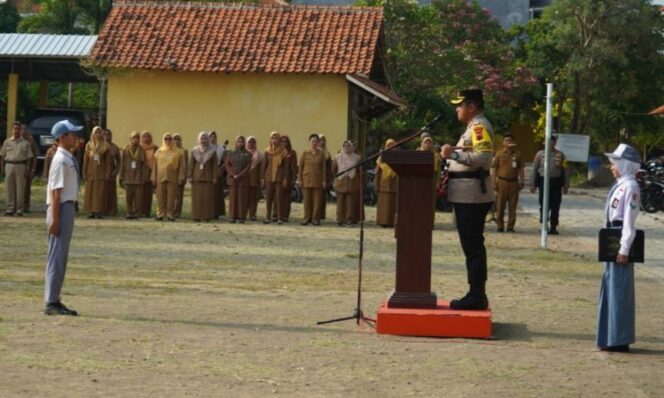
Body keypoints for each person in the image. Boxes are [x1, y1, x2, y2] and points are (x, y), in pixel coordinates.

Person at [440, 89, 495, 310]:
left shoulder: (479, 127)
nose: (457, 109)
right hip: (466, 193)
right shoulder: (472, 127)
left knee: (472, 246)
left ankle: (476, 295)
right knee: (471, 245)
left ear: (471, 107)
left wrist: (452, 154)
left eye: (460, 105)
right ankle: (475, 292)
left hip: (472, 194)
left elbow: (483, 157)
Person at [596, 144, 642, 353]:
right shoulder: (622, 185)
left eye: (615, 163)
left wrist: (624, 249)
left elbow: (628, 224)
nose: (611, 167)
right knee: (611, 288)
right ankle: (610, 335)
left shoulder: (631, 187)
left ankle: (619, 338)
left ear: (625, 165)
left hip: (619, 240)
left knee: (620, 290)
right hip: (611, 239)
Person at [44, 120, 83, 316]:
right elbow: (56, 192)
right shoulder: (60, 159)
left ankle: (54, 298)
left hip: (66, 208)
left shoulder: (67, 157)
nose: (75, 137)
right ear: (62, 137)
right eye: (72, 134)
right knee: (57, 256)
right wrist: (56, 219)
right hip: (61, 208)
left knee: (61, 256)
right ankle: (51, 301)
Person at [530, 135, 570, 235]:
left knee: (555, 205)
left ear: (555, 143)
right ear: (544, 143)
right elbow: (534, 169)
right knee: (543, 204)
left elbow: (566, 171)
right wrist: (533, 184)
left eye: (552, 142)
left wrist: (566, 185)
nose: (550, 144)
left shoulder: (561, 155)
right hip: (543, 182)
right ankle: (544, 225)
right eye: (548, 142)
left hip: (556, 183)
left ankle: (553, 226)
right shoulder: (540, 154)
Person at [491, 134, 525, 232]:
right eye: (506, 140)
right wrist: (493, 182)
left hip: (514, 183)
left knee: (513, 206)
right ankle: (500, 226)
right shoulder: (499, 154)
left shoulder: (518, 154)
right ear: (503, 143)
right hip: (502, 182)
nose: (509, 142)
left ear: (513, 142)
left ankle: (510, 226)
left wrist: (522, 181)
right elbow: (494, 168)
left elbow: (521, 169)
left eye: (510, 140)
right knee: (500, 205)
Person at [0, 121, 34, 216]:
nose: (16, 131)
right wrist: (2, 168)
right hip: (9, 165)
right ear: (11, 130)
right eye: (15, 129)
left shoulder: (25, 143)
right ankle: (10, 208)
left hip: (21, 166)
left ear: (21, 130)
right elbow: (2, 156)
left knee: (20, 188)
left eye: (18, 129)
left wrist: (27, 168)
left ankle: (19, 209)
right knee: (9, 188)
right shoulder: (7, 142)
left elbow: (29, 157)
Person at [151, 133, 186, 221]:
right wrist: (153, 177)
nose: (168, 140)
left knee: (171, 196)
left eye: (170, 138)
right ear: (163, 139)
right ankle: (160, 213)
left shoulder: (178, 152)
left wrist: (181, 177)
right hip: (160, 177)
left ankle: (170, 214)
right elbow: (155, 166)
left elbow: (182, 166)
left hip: (173, 177)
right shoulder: (159, 152)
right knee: (160, 196)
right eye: (166, 139)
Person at [189, 132, 218, 222]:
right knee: (197, 198)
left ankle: (206, 216)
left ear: (208, 140)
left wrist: (214, 177)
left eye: (205, 138)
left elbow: (215, 165)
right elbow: (191, 165)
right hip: (196, 177)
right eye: (202, 138)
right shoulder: (194, 150)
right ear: (199, 139)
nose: (203, 140)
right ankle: (196, 216)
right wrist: (190, 176)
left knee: (207, 198)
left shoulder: (212, 151)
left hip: (208, 177)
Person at [83, 126, 111, 219]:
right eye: (96, 133)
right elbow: (85, 161)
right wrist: (84, 172)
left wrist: (107, 173)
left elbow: (108, 162)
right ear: (93, 134)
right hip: (91, 172)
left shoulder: (106, 146)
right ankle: (91, 211)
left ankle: (98, 211)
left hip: (101, 173)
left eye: (100, 132)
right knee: (90, 193)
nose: (98, 134)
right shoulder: (89, 145)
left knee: (99, 193)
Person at [299, 133, 327, 225]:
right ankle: (306, 218)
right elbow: (301, 167)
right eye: (312, 141)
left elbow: (324, 169)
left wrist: (324, 180)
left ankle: (315, 219)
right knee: (307, 201)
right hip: (306, 179)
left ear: (318, 142)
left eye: (316, 141)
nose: (314, 143)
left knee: (317, 201)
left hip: (317, 180)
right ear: (309, 142)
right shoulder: (305, 153)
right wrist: (300, 179)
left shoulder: (321, 154)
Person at [333, 140, 361, 226]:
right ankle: (340, 219)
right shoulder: (337, 157)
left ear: (351, 147)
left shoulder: (357, 158)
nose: (346, 147)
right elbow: (334, 169)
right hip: (341, 180)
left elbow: (359, 170)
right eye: (344, 145)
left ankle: (349, 219)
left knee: (350, 202)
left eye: (348, 145)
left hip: (352, 180)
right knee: (340, 202)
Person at [119, 131, 147, 219]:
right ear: (130, 139)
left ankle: (136, 213)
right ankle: (129, 213)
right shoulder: (126, 150)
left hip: (138, 177)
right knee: (129, 197)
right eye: (134, 137)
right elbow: (122, 164)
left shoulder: (141, 150)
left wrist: (144, 177)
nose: (136, 139)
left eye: (138, 138)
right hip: (128, 177)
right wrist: (121, 176)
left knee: (138, 198)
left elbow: (144, 165)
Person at [225, 135, 252, 223]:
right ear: (236, 142)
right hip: (233, 179)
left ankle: (241, 217)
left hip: (243, 179)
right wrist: (233, 174)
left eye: (242, 141)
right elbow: (227, 165)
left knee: (242, 198)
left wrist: (240, 175)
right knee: (233, 198)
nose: (241, 143)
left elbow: (248, 167)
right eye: (239, 141)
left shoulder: (248, 154)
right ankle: (232, 216)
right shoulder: (231, 153)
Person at [263, 131, 288, 224]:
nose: (274, 140)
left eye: (276, 138)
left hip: (279, 177)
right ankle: (267, 217)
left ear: (279, 140)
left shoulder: (283, 151)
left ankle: (279, 218)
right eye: (272, 138)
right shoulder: (267, 151)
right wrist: (262, 178)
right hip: (269, 177)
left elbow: (286, 167)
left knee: (279, 198)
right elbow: (264, 165)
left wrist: (285, 178)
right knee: (268, 197)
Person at [418, 136, 441, 225]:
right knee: (419, 202)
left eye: (429, 142)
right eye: (425, 142)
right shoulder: (417, 154)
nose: (427, 144)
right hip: (419, 181)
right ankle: (419, 221)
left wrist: (438, 182)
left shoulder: (436, 156)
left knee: (430, 204)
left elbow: (438, 171)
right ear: (421, 144)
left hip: (431, 181)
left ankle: (429, 223)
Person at [375, 139, 398, 228]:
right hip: (383, 184)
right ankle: (382, 221)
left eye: (392, 144)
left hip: (394, 183)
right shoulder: (381, 158)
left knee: (393, 204)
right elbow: (377, 172)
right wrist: (376, 184)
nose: (391, 147)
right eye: (389, 145)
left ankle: (392, 222)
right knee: (383, 204)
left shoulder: (399, 157)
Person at [278, 134, 298, 222]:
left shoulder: (292, 153)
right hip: (278, 176)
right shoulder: (276, 152)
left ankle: (285, 215)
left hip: (289, 176)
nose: (283, 143)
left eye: (285, 141)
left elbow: (294, 167)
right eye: (281, 141)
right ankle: (277, 215)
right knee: (278, 196)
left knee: (287, 198)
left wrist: (294, 178)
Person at [102, 128, 121, 216]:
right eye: (104, 134)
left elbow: (119, 161)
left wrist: (116, 171)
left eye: (108, 134)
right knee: (102, 192)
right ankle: (102, 209)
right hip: (101, 173)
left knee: (111, 192)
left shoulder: (115, 147)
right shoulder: (99, 146)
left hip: (111, 172)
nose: (106, 136)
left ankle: (112, 210)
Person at [140, 131, 158, 217]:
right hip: (140, 173)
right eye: (144, 136)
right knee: (139, 194)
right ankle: (139, 211)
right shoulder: (139, 147)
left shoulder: (155, 148)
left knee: (148, 194)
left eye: (148, 136)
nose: (146, 138)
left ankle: (147, 212)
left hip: (151, 173)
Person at [22, 124, 39, 213]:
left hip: (28, 167)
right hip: (18, 166)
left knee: (26, 188)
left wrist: (32, 169)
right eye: (21, 129)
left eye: (24, 129)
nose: (23, 131)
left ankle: (25, 207)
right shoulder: (17, 140)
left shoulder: (31, 141)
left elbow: (35, 156)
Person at [246, 136, 264, 221]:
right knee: (244, 197)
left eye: (253, 142)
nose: (251, 144)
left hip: (254, 179)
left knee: (253, 198)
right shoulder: (243, 153)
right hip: (244, 179)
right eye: (249, 142)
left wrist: (261, 179)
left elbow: (261, 169)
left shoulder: (259, 155)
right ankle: (244, 214)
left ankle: (252, 214)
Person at [209, 131, 227, 218]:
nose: (213, 138)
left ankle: (216, 212)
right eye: (211, 136)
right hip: (208, 173)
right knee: (208, 194)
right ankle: (208, 212)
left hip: (218, 172)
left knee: (217, 194)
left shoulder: (221, 149)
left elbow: (224, 162)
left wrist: (220, 170)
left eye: (214, 136)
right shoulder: (205, 148)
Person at [173, 133, 188, 218]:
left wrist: (185, 177)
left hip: (181, 175)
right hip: (172, 175)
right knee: (172, 195)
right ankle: (171, 211)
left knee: (179, 196)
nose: (176, 141)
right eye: (174, 139)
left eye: (178, 139)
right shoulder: (169, 150)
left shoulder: (184, 151)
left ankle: (177, 213)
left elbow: (186, 164)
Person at [318, 134, 333, 220]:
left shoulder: (327, 153)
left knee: (322, 198)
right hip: (314, 176)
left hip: (324, 177)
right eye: (320, 140)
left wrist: (330, 179)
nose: (322, 142)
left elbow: (329, 168)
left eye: (324, 140)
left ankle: (320, 215)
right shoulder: (312, 152)